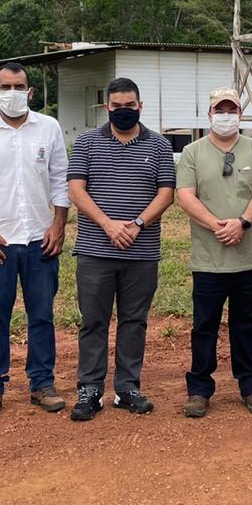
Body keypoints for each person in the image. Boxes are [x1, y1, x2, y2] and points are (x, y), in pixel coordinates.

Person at [0, 61, 70, 422]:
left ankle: (42, 383)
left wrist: (59, 224)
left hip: (40, 239)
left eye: (19, 87)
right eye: (5, 87)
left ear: (30, 91)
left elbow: (60, 180)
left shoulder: (48, 128)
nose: (12, 93)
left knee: (42, 315)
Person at [67, 77, 176, 421]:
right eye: (117, 106)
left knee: (134, 321)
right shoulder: (86, 143)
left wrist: (137, 224)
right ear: (106, 107)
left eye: (130, 106)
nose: (124, 111)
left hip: (141, 252)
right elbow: (76, 190)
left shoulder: (158, 146)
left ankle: (128, 387)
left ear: (140, 106)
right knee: (93, 322)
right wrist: (108, 224)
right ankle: (90, 389)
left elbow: (166, 193)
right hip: (95, 250)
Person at [175, 87, 252, 418]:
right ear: (209, 115)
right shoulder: (192, 152)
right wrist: (218, 225)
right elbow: (186, 195)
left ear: (240, 114)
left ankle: (250, 386)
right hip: (208, 260)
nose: (225, 116)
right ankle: (199, 389)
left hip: (247, 259)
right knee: (204, 326)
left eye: (231, 110)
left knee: (245, 325)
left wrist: (243, 223)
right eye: (219, 110)